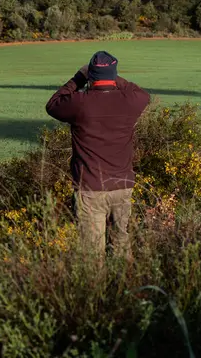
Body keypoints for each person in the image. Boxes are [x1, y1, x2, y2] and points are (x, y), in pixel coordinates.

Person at [46, 50, 150, 260]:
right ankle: (124, 289)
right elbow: (143, 95)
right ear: (113, 75)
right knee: (121, 245)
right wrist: (113, 78)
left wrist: (79, 77)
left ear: (91, 77)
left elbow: (53, 104)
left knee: (91, 255)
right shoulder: (130, 101)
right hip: (122, 186)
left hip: (90, 189)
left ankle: (95, 291)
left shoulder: (80, 102)